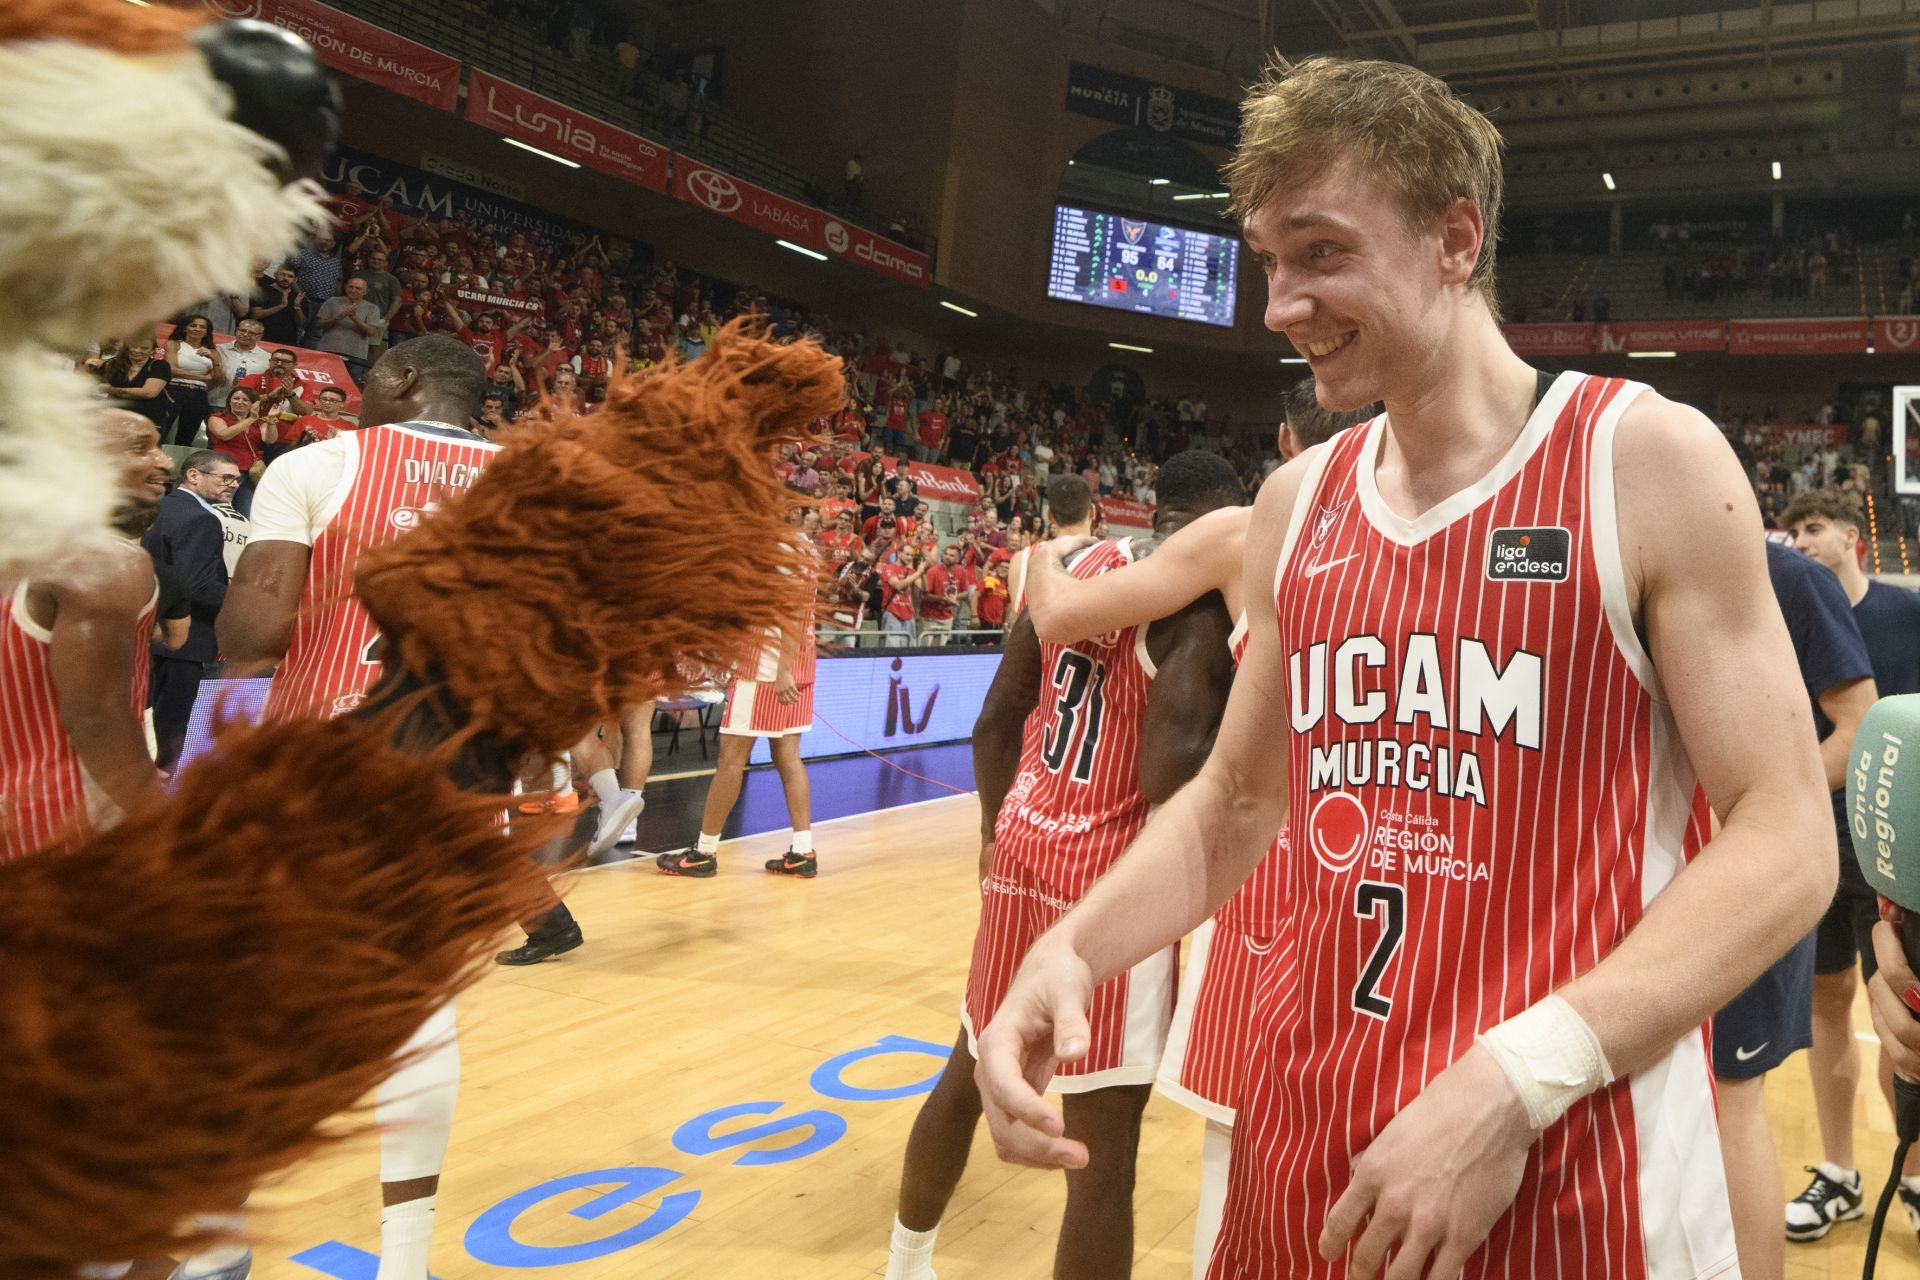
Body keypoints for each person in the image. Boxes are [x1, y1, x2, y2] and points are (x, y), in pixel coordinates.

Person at [975, 56, 1834, 1279]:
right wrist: (1064, 953)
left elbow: (1789, 836)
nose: (1279, 302)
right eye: (1269, 259)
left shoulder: (1644, 463)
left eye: (1320, 252)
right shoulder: (1293, 503)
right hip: (1306, 1151)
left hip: (1568, 1160)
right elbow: (1232, 803)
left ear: (1454, 238)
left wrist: (1518, 1075)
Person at [217, 335, 549, 1280]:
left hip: (320, 761)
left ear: (402, 381)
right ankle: (404, 1262)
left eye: (369, 381)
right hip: (458, 770)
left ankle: (212, 1239)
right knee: (418, 1006)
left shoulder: (319, 463)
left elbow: (250, 638)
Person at [1021, 377, 1368, 1276]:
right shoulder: (1447, 533)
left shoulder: (1245, 531)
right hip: (1395, 864)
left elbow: (1057, 615)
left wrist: (1046, 550)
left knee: (1245, 1163)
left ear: (1287, 442)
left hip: (1267, 873)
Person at [882, 451, 1242, 1280]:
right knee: (1101, 1161)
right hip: (1111, 887)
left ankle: (906, 1263)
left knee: (972, 1064)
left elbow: (994, 719)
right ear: (1225, 520)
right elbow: (1165, 774)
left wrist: (989, 829)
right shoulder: (1195, 610)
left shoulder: (1076, 568)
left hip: (1022, 845)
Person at [1781, 489, 1920, 1238]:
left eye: (1813, 527)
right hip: (1815, 836)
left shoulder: (1903, 612)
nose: (1800, 540)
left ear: (1850, 536)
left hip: (1897, 848)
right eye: (1793, 529)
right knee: (1825, 1005)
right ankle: (1840, 1174)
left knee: (1896, 1004)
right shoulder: (1789, 620)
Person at [1, 410, 170, 861]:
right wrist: (159, 820)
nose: (166, 462)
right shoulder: (105, 560)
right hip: (64, 824)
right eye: (141, 447)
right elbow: (96, 714)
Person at [656, 597, 819, 879]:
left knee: (730, 760)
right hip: (799, 666)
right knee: (788, 757)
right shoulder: (807, 552)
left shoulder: (779, 550)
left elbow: (789, 609)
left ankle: (704, 853)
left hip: (764, 672)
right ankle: (803, 852)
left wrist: (781, 670)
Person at [141, 449, 237, 771]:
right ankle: (160, 807)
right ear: (193, 475)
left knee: (142, 723)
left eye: (237, 479)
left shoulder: (154, 508)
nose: (234, 485)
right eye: (226, 477)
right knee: (172, 733)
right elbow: (198, 586)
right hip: (187, 640)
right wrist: (244, 602)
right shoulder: (201, 518)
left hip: (147, 631)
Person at [1007, 474, 1093, 620]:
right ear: (1092, 511)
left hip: (1035, 640)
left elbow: (1020, 618)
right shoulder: (1112, 556)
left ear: (1049, 515)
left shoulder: (1020, 559)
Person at [163, 314, 221, 447]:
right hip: (174, 390)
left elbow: (218, 378)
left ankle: (180, 465)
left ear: (207, 331)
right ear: (184, 328)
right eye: (193, 325)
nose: (198, 329)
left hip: (199, 394)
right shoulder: (174, 344)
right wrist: (203, 377)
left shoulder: (213, 351)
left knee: (187, 434)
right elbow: (172, 369)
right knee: (162, 428)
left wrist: (213, 360)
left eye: (202, 327)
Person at [314, 276, 383, 386]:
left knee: (350, 388)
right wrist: (338, 317)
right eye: (351, 287)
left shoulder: (372, 308)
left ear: (365, 292)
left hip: (356, 355)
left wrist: (354, 318)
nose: (353, 290)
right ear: (345, 287)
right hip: (328, 350)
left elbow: (371, 332)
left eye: (358, 288)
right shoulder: (332, 301)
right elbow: (319, 324)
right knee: (320, 385)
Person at [99, 337, 175, 433]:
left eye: (144, 348)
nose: (137, 350)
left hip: (148, 421)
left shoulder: (160, 366)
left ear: (152, 351)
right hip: (115, 419)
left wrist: (111, 390)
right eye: (134, 346)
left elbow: (149, 392)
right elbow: (97, 385)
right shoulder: (113, 364)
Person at [212, 317, 273, 414]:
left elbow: (266, 384)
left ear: (260, 336)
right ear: (236, 330)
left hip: (245, 408)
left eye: (252, 333)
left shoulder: (267, 358)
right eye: (243, 330)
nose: (245, 335)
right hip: (213, 402)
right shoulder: (217, 349)